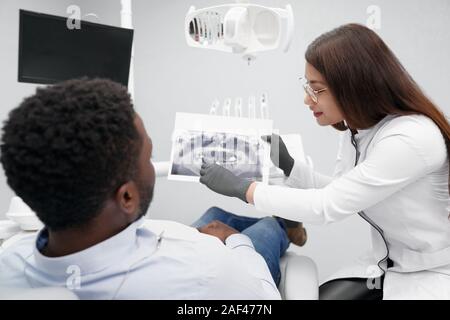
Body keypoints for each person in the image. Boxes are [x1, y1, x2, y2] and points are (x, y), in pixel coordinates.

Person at [199, 23, 450, 300]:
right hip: (389, 264)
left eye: (316, 89)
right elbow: (343, 189)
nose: (307, 99)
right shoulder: (357, 130)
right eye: (307, 86)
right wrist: (290, 166)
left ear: (354, 86)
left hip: (432, 274)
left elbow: (327, 206)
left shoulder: (410, 139)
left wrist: (244, 189)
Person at [0, 78, 300, 299]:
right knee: (263, 232)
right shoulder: (204, 275)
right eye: (149, 154)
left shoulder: (9, 261)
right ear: (127, 196)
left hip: (165, 244)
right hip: (222, 263)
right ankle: (282, 226)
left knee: (213, 216)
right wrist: (237, 244)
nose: (153, 162)